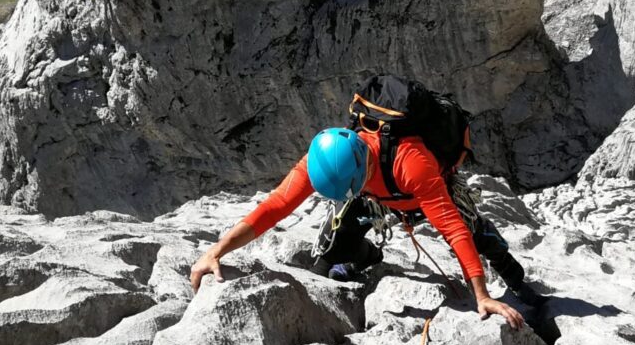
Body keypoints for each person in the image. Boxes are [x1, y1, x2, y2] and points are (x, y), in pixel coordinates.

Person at [188, 125, 536, 329]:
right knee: (325, 258)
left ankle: (516, 278)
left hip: (420, 193)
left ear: (364, 165)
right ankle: (365, 255)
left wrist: (482, 296)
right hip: (372, 197)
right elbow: (275, 207)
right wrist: (216, 251)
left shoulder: (411, 163)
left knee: (475, 233)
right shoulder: (326, 159)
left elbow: (452, 228)